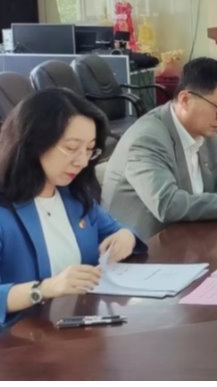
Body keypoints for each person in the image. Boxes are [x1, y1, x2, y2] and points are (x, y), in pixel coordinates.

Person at [0, 90, 146, 325]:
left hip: (78, 327)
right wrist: (44, 289)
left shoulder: (74, 196)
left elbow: (117, 230)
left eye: (89, 150)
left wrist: (125, 237)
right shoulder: (5, 212)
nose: (82, 161)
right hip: (20, 339)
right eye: (71, 148)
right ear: (33, 142)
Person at [104, 57, 217, 239]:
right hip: (146, 245)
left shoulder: (206, 131)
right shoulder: (148, 139)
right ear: (185, 100)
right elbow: (168, 204)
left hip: (192, 235)